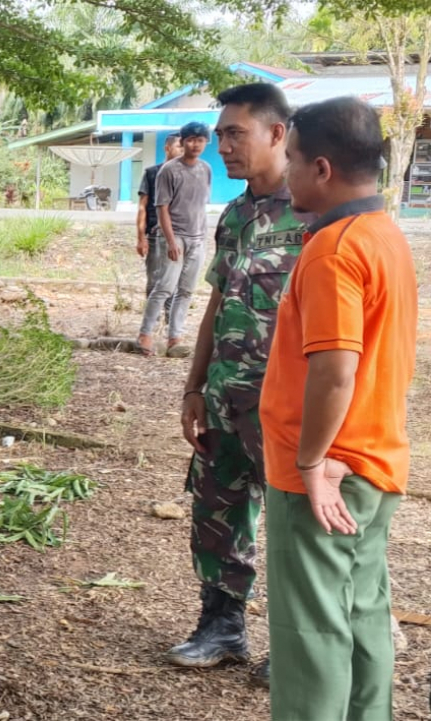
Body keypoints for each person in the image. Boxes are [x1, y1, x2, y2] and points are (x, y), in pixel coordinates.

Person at [261, 96, 415, 720]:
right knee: (362, 612)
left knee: (312, 632)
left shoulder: (334, 250)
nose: (288, 172)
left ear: (322, 168)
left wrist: (312, 461)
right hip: (374, 464)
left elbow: (334, 369)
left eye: (292, 159)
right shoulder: (385, 236)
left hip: (327, 476)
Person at [166, 84, 305, 677]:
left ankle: (301, 647)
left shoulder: (318, 211)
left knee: (297, 531)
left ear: (277, 134)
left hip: (288, 407)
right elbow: (217, 304)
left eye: (234, 134)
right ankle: (222, 627)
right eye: (219, 135)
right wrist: (194, 387)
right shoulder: (237, 212)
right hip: (226, 400)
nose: (222, 146)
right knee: (217, 515)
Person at [138, 121, 212, 356]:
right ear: (182, 141)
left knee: (186, 290)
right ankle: (146, 333)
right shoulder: (168, 170)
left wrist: (204, 238)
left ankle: (175, 336)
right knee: (165, 287)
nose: (195, 144)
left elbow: (200, 206)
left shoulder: (205, 169)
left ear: (206, 143)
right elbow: (162, 208)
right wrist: (170, 241)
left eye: (200, 140)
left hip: (197, 237)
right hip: (174, 236)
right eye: (190, 140)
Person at [137, 133, 182, 323]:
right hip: (156, 235)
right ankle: (151, 322)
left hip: (179, 235)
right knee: (155, 278)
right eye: (179, 146)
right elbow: (142, 206)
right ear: (167, 148)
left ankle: (170, 321)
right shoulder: (151, 173)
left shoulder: (188, 174)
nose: (183, 151)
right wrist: (141, 237)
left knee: (175, 280)